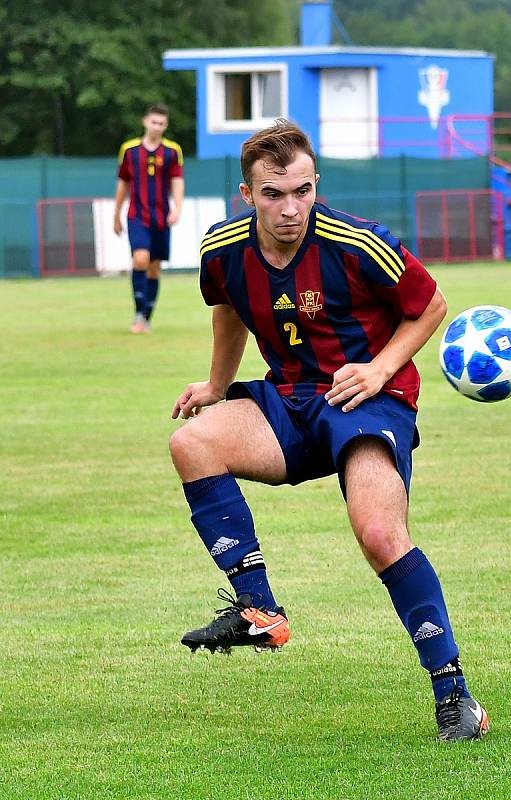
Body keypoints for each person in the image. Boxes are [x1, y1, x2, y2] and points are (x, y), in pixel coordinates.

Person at [168, 119, 489, 742]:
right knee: (192, 441)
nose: (291, 209)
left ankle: (455, 697)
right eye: (273, 194)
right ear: (247, 195)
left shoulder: (359, 243)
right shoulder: (221, 250)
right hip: (289, 400)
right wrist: (215, 384)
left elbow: (431, 306)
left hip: (370, 401)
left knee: (378, 534)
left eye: (302, 191)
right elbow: (229, 311)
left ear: (316, 184)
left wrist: (380, 369)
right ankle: (259, 609)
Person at [114, 104, 184, 333]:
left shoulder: (172, 151)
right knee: (140, 260)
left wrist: (177, 208)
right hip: (137, 216)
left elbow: (177, 181)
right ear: (145, 122)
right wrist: (116, 215)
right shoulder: (129, 150)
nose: (157, 127)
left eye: (162, 123)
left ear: (166, 126)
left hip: (161, 218)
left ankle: (146, 316)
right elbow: (123, 182)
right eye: (154, 122)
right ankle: (138, 314)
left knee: (154, 268)